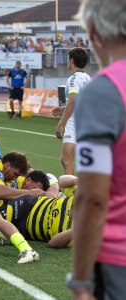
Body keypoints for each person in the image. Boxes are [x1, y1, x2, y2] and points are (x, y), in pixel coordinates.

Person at [66, 1, 126, 299]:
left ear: (93, 30)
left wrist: (80, 283)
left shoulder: (104, 90)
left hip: (117, 258)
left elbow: (93, 198)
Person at [51, 48, 90, 175]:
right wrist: (63, 108)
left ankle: (69, 192)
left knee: (66, 160)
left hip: (75, 123)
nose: (67, 61)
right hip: (86, 122)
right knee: (84, 161)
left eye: (68, 58)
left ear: (71, 60)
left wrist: (61, 123)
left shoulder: (73, 79)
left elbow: (72, 102)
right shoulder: (87, 77)